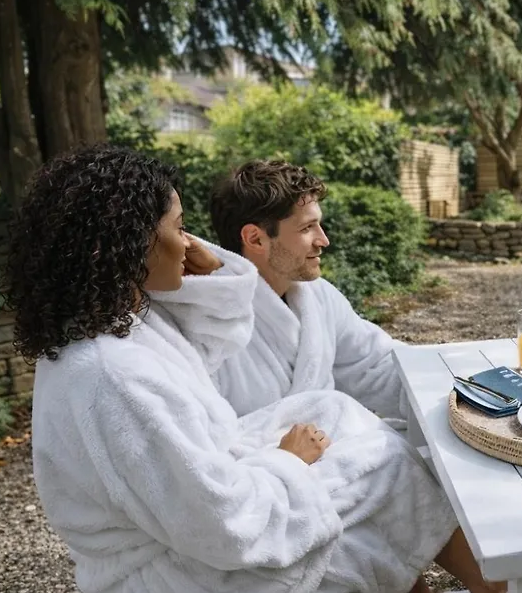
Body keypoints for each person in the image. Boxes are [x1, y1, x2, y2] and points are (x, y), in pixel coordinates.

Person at [3, 144, 506, 593]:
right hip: (186, 588)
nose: (189, 243)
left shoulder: (123, 329)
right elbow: (221, 524)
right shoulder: (117, 377)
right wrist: (289, 463)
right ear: (128, 242)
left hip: (194, 522)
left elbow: (215, 352)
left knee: (340, 417)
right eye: (179, 228)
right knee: (384, 463)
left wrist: (219, 277)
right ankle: (484, 588)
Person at [153, 159, 411, 425]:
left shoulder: (320, 297)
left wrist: (434, 382)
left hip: (332, 443)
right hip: (264, 451)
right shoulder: (208, 319)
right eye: (307, 228)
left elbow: (374, 365)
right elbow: (203, 431)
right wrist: (287, 448)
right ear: (255, 239)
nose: (324, 240)